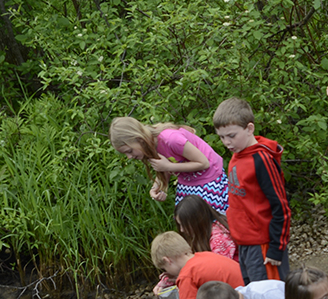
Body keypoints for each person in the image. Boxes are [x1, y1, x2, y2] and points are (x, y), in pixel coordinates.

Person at [212, 97, 291, 283]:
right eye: (222, 137)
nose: (227, 142)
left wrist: (276, 248)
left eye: (231, 136)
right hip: (244, 243)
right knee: (254, 296)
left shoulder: (262, 160)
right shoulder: (236, 155)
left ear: (249, 128)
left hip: (263, 244)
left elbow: (281, 206)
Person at [109, 117, 229, 211]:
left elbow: (203, 163)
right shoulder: (151, 145)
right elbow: (164, 168)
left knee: (206, 220)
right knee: (185, 220)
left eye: (129, 151)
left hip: (210, 178)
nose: (129, 157)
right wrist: (157, 188)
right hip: (188, 180)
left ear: (139, 138)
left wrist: (169, 167)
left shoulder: (170, 139)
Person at [174, 195, 236, 263]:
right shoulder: (205, 229)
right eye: (179, 225)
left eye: (184, 225)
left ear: (197, 221)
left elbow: (219, 270)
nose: (181, 230)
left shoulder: (219, 239)